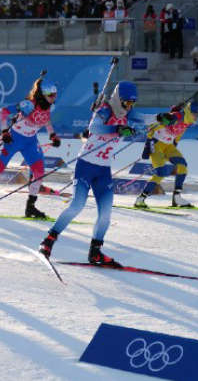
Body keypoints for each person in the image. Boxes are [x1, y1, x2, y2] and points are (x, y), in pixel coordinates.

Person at [38, 81, 162, 266]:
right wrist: (117, 129)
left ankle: (95, 252)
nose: (129, 107)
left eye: (132, 103)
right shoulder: (104, 110)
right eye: (126, 102)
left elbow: (146, 118)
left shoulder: (130, 114)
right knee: (77, 205)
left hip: (103, 170)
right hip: (85, 165)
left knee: (105, 214)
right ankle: (48, 241)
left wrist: (163, 117)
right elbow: (95, 128)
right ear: (118, 99)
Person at [0, 75, 60, 217]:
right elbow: (4, 111)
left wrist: (52, 135)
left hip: (30, 142)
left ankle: (30, 208)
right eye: (51, 94)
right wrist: (4, 131)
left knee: (39, 172)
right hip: (14, 140)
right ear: (44, 94)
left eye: (55, 94)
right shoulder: (29, 105)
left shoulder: (48, 106)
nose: (54, 97)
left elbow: (46, 119)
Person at [134, 101, 198, 209]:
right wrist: (149, 142)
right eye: (195, 114)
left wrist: (175, 143)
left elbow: (180, 132)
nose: (196, 117)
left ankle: (177, 197)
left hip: (169, 146)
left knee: (182, 166)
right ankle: (140, 199)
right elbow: (158, 124)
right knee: (161, 173)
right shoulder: (177, 116)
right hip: (157, 145)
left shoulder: (188, 122)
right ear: (189, 112)